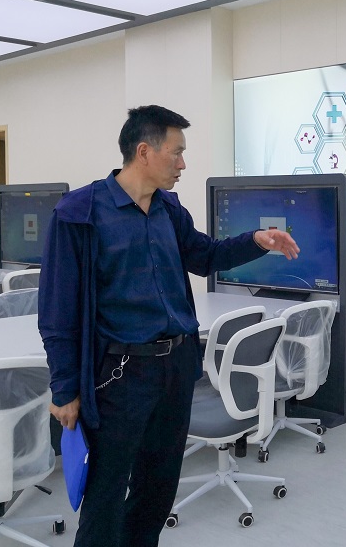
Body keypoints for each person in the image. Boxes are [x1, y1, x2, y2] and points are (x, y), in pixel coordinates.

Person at [38, 105, 300, 547]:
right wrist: (64, 389)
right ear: (145, 151)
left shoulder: (168, 208)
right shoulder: (79, 213)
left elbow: (205, 255)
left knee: (157, 490)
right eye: (176, 153)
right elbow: (57, 310)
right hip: (119, 376)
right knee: (104, 498)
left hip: (175, 367)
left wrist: (256, 241)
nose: (183, 164)